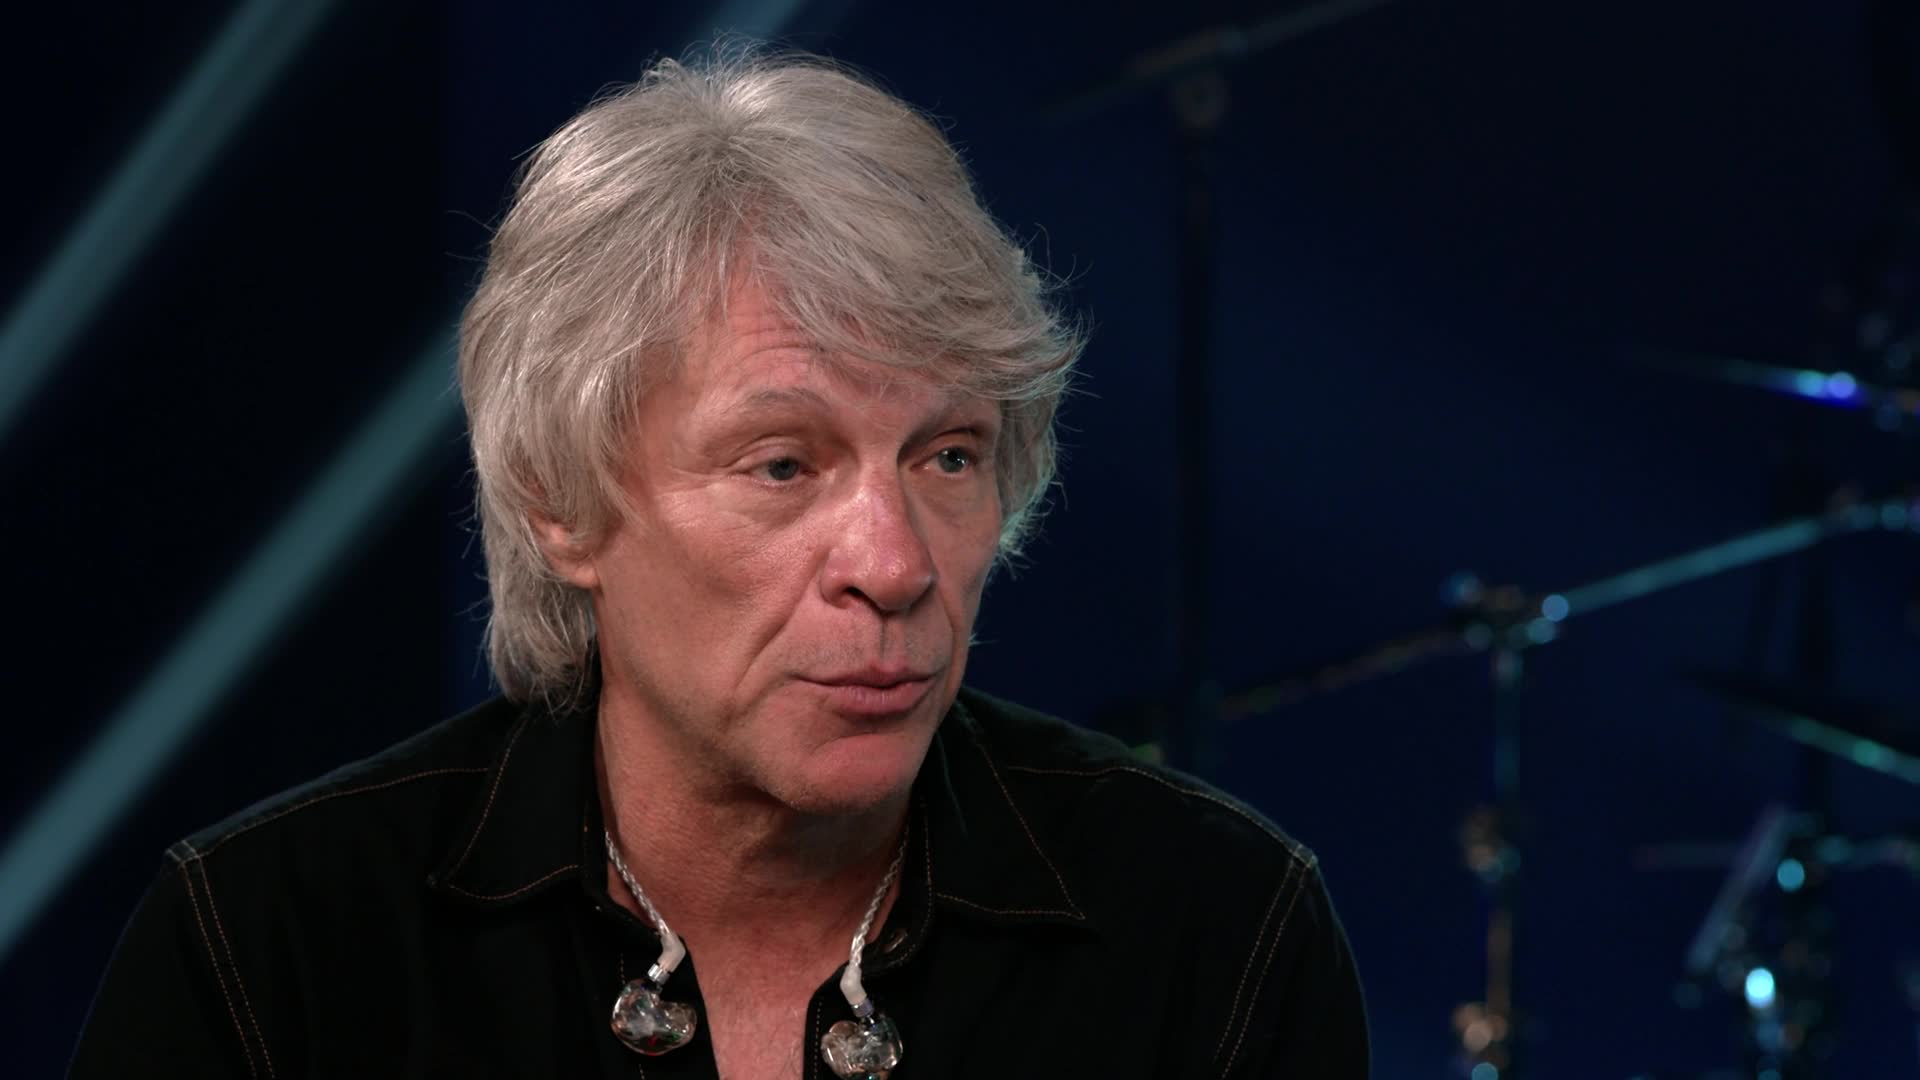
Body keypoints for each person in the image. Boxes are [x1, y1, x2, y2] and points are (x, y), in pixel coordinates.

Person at [71, 45, 1367, 1079]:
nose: (893, 566)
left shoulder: (1217, 928)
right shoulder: (268, 954)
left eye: (948, 456)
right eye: (783, 465)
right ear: (560, 502)